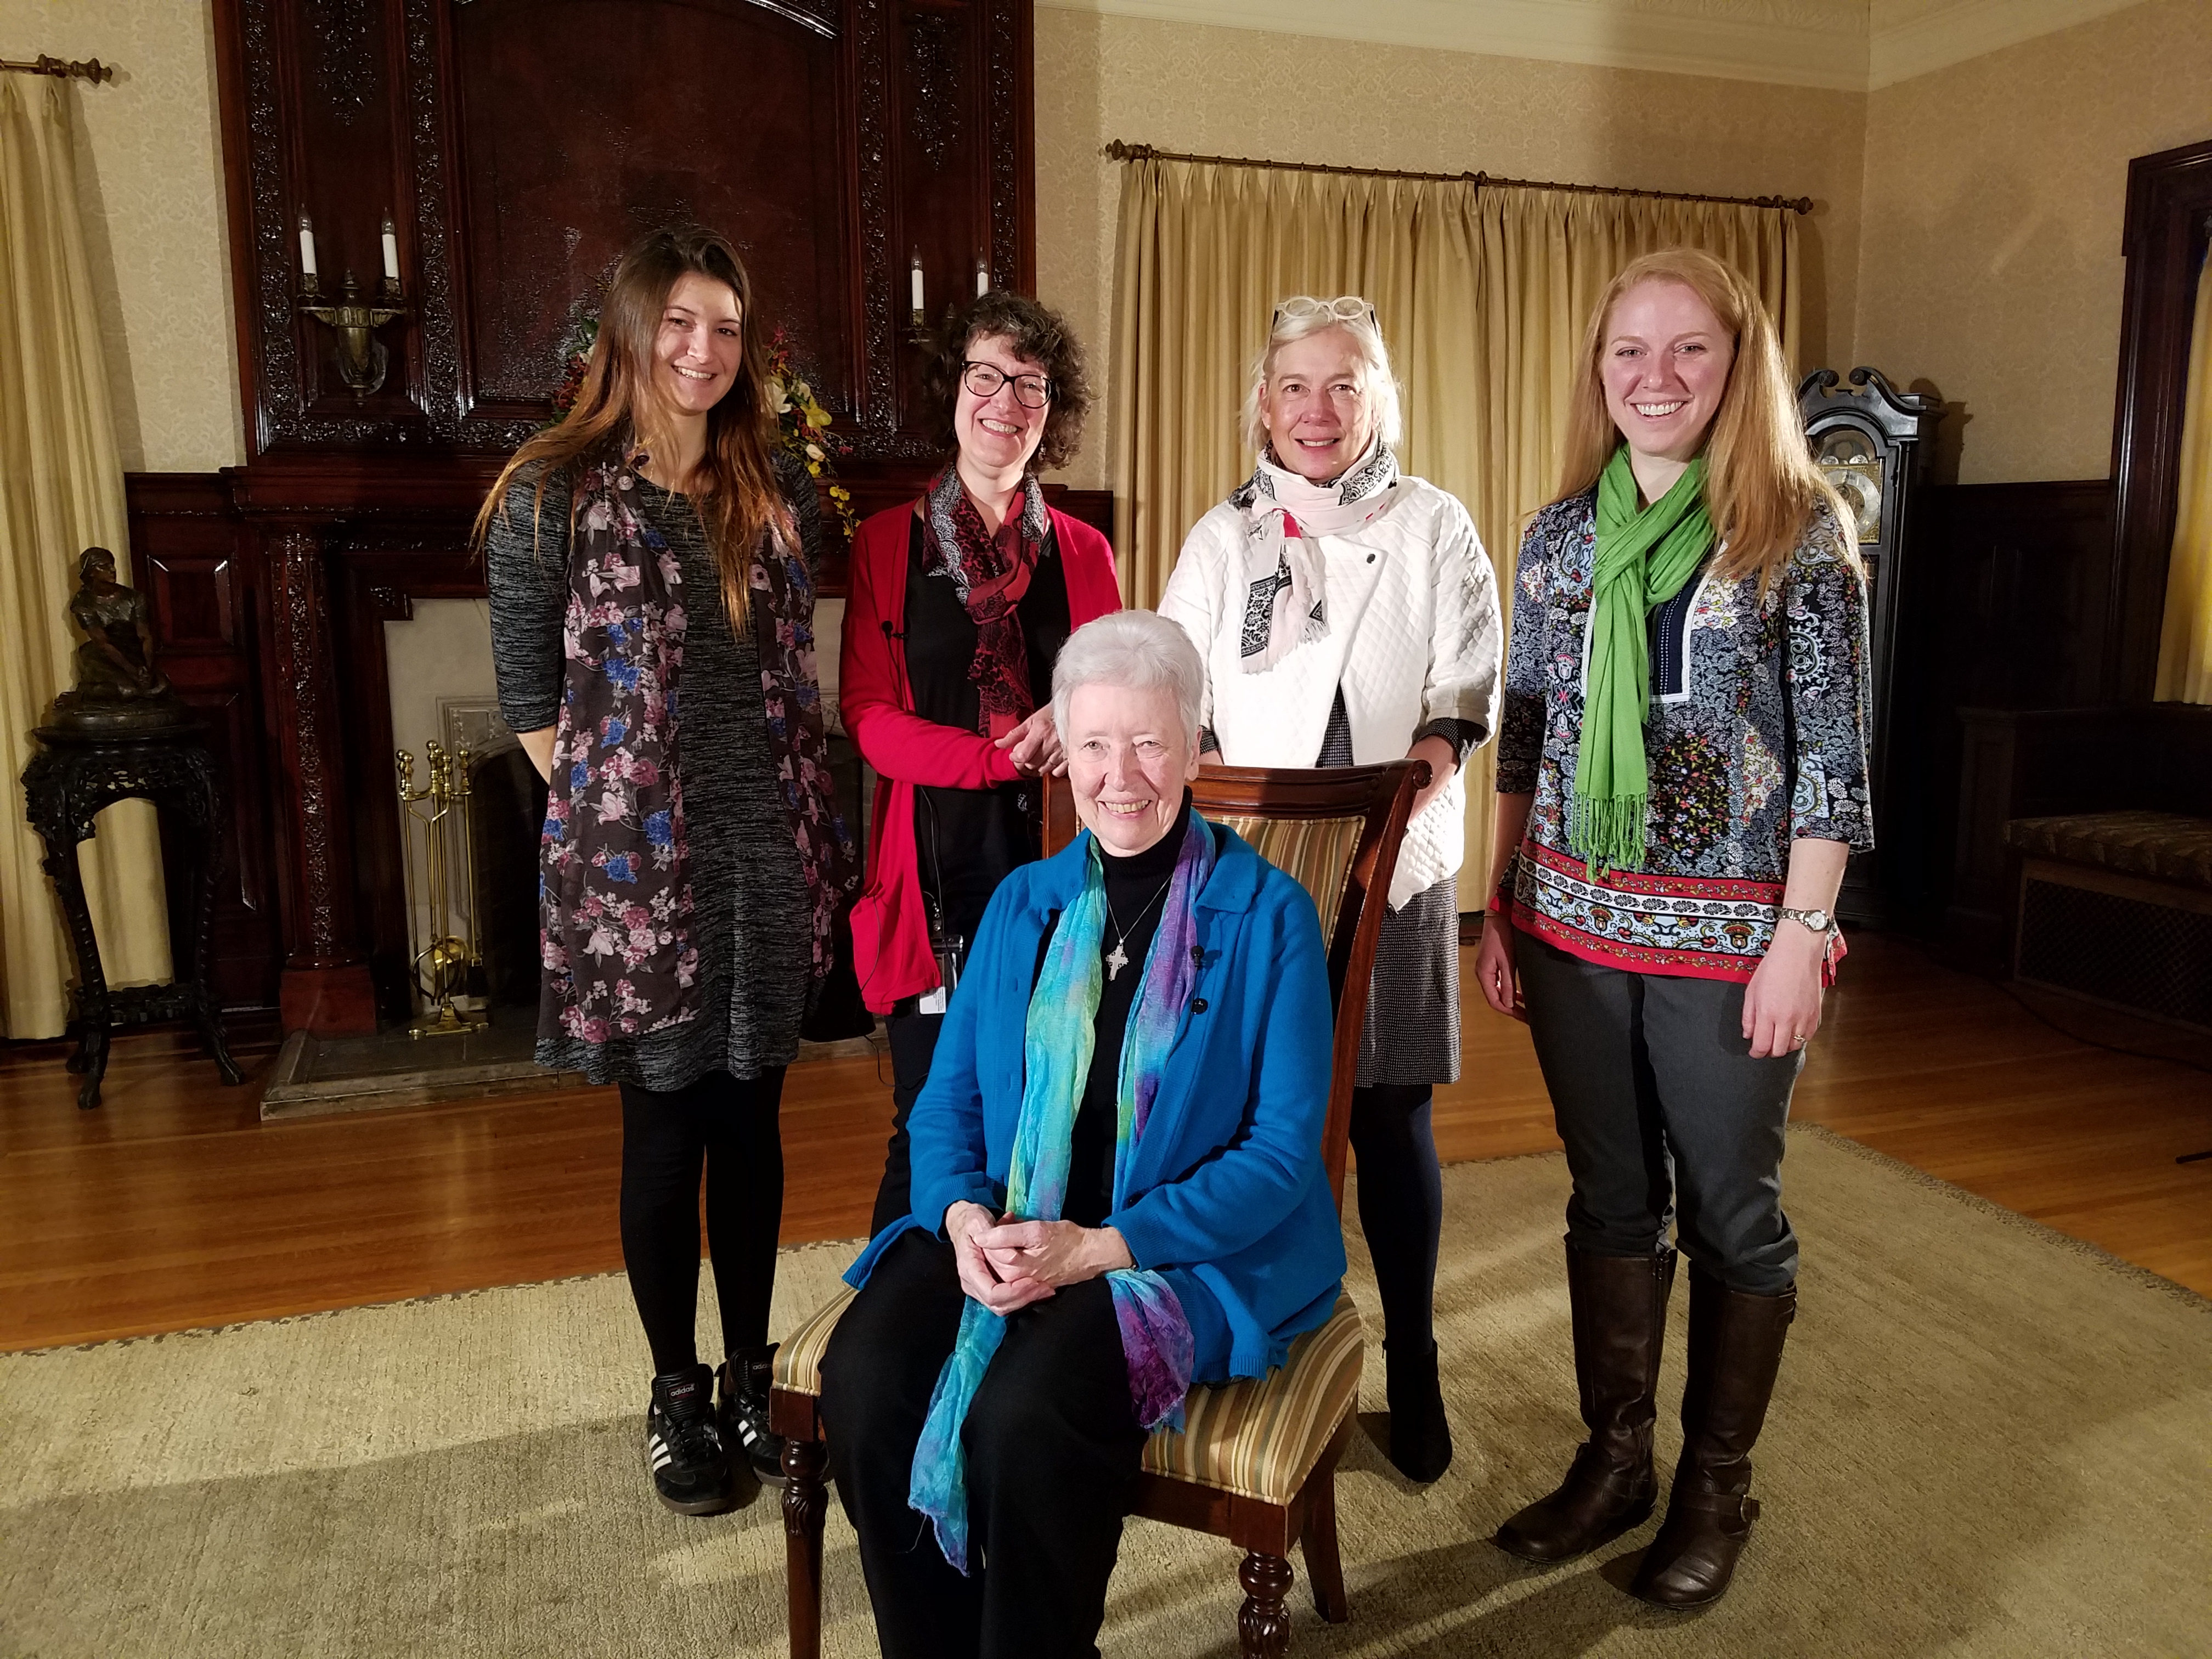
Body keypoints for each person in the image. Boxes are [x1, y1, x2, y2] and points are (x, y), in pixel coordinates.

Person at [819, 610, 1346, 1659]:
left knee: (1024, 1420)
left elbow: (1282, 1156)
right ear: (1067, 751)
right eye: (1095, 743)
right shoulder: (1027, 901)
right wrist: (966, 1222)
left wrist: (1099, 1248)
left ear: (1198, 748)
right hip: (1011, 1221)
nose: (1121, 776)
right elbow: (947, 1104)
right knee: (866, 1381)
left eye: (1151, 743)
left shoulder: (1269, 914)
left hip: (1169, 1253)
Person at [1477, 247, 1870, 1607]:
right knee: (1609, 1198)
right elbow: (1524, 727)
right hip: (1572, 924)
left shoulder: (1800, 530)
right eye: (1629, 351)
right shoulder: (1559, 537)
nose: (1655, 377)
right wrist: (1503, 897)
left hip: (1733, 944)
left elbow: (1832, 761)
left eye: (1687, 350)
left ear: (1735, 364)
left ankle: (1717, 1486)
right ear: (1600, 371)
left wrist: (1802, 937)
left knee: (1731, 1214)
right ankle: (1617, 1459)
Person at [479, 227, 853, 1517]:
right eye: (681, 323)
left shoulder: (776, 485)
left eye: (728, 328)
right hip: (638, 869)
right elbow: (533, 703)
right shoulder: (548, 493)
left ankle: (753, 1375)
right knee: (664, 1127)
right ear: (632, 334)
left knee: (754, 1118)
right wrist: (620, 817)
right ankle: (675, 1388)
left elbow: (793, 673)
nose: (704, 351)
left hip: (767, 845)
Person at [1157, 294, 1501, 1483]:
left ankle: (1414, 1358)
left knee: (1392, 1112)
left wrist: (1421, 775)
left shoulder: (1435, 524)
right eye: (1295, 387)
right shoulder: (1221, 538)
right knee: (1264, 1126)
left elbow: (1468, 676)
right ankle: (1268, 1340)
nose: (1317, 411)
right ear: (1262, 402)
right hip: (1256, 873)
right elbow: (1176, 685)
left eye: (1343, 386)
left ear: (1377, 401)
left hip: (1395, 861)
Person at [841, 291, 1119, 1237]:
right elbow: (869, 718)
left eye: (1030, 385)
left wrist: (1068, 715)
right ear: (954, 389)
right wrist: (1001, 759)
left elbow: (1112, 695)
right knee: (929, 1118)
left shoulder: (1086, 552)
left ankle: (1028, 1304)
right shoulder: (886, 544)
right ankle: (893, 1322)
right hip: (932, 877)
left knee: (1059, 1110)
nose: (1006, 401)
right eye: (986, 376)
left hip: (1060, 867)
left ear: (1053, 409)